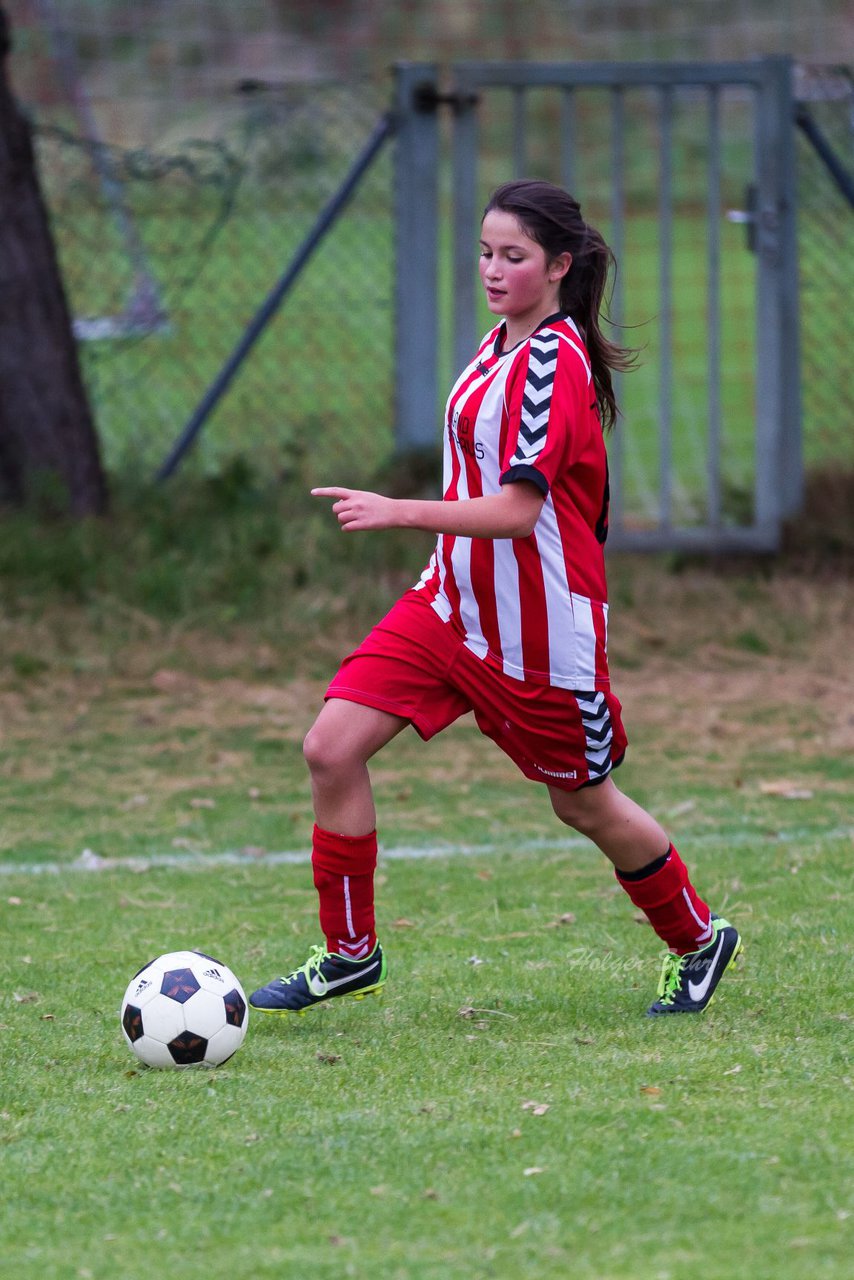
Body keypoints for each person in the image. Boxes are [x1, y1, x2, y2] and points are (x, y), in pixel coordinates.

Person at [249, 178, 741, 1020]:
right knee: (331, 747)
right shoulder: (497, 346)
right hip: (449, 607)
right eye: (484, 252)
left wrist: (397, 508)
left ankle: (698, 939)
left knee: (582, 802)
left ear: (558, 266)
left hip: (540, 637)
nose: (492, 269)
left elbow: (519, 512)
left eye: (513, 256)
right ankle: (348, 954)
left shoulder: (554, 361)